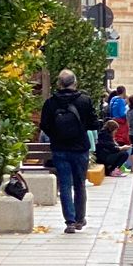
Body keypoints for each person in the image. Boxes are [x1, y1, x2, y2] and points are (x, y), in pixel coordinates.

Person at [39, 71, 98, 233]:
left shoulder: (51, 102)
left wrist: (56, 135)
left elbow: (44, 125)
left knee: (65, 184)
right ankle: (80, 219)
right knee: (79, 184)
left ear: (59, 83)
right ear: (75, 82)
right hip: (80, 148)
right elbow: (94, 124)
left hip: (60, 148)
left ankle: (70, 221)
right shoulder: (84, 101)